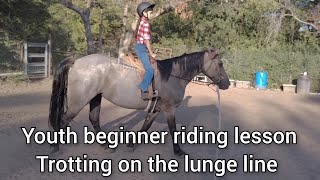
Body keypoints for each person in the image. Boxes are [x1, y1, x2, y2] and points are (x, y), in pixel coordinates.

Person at [135, 2, 157, 100]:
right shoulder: (145, 24)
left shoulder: (141, 22)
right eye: (150, 12)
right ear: (144, 13)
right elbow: (147, 40)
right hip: (141, 49)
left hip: (139, 47)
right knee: (150, 70)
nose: (152, 14)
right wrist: (151, 53)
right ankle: (143, 89)